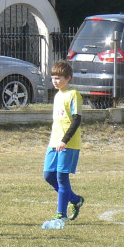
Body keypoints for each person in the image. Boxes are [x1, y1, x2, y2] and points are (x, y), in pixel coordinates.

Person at [43, 60, 84, 227]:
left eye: (59, 78)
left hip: (68, 144)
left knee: (61, 177)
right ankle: (75, 199)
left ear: (69, 78)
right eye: (53, 77)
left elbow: (76, 120)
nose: (55, 80)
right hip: (54, 142)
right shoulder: (57, 95)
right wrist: (55, 140)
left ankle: (61, 214)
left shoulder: (74, 94)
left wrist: (64, 140)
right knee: (48, 175)